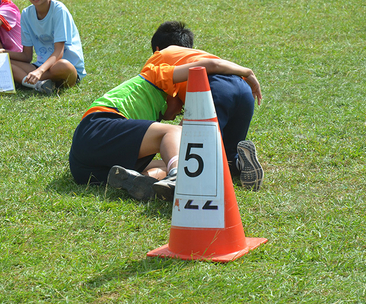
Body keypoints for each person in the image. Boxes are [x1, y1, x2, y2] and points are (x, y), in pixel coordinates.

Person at [69, 43, 259, 201]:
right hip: (97, 125)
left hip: (84, 168)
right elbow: (211, 65)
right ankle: (179, 175)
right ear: (173, 93)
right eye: (181, 106)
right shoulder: (157, 76)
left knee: (161, 162)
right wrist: (247, 72)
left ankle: (146, 182)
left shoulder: (148, 118)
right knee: (175, 133)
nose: (180, 112)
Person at [150, 21, 264, 192]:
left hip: (213, 89)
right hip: (243, 91)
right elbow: (218, 65)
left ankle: (177, 179)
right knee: (226, 155)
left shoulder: (159, 57)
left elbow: (169, 105)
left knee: (191, 154)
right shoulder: (197, 54)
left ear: (157, 48)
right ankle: (239, 162)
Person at [0, 0, 86, 95]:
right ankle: (39, 85)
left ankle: (26, 79)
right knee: (4, 61)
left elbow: (59, 52)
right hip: (41, 67)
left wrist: (39, 71)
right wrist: (4, 52)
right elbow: (26, 56)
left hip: (66, 70)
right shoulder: (26, 14)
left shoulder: (59, 10)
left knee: (62, 65)